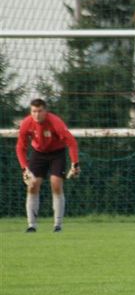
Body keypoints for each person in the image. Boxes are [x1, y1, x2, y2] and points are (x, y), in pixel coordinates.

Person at [16, 98, 80, 233]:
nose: (36, 115)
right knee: (32, 185)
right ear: (30, 111)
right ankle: (31, 225)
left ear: (46, 111)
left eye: (40, 111)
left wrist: (75, 163)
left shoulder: (55, 122)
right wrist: (24, 168)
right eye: (34, 111)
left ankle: (58, 225)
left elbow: (71, 142)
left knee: (56, 184)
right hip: (38, 153)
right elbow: (21, 147)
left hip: (57, 153)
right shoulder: (26, 123)